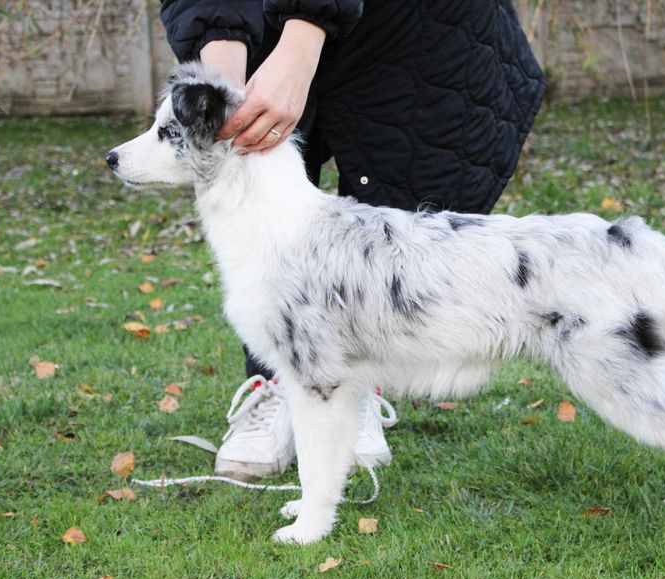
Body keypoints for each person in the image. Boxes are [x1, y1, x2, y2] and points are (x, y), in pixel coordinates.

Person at [159, 0, 546, 480]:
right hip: (259, 22)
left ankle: (358, 384)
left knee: (401, 220)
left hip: (415, 34)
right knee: (277, 241)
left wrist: (303, 38)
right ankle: (282, 383)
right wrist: (218, 67)